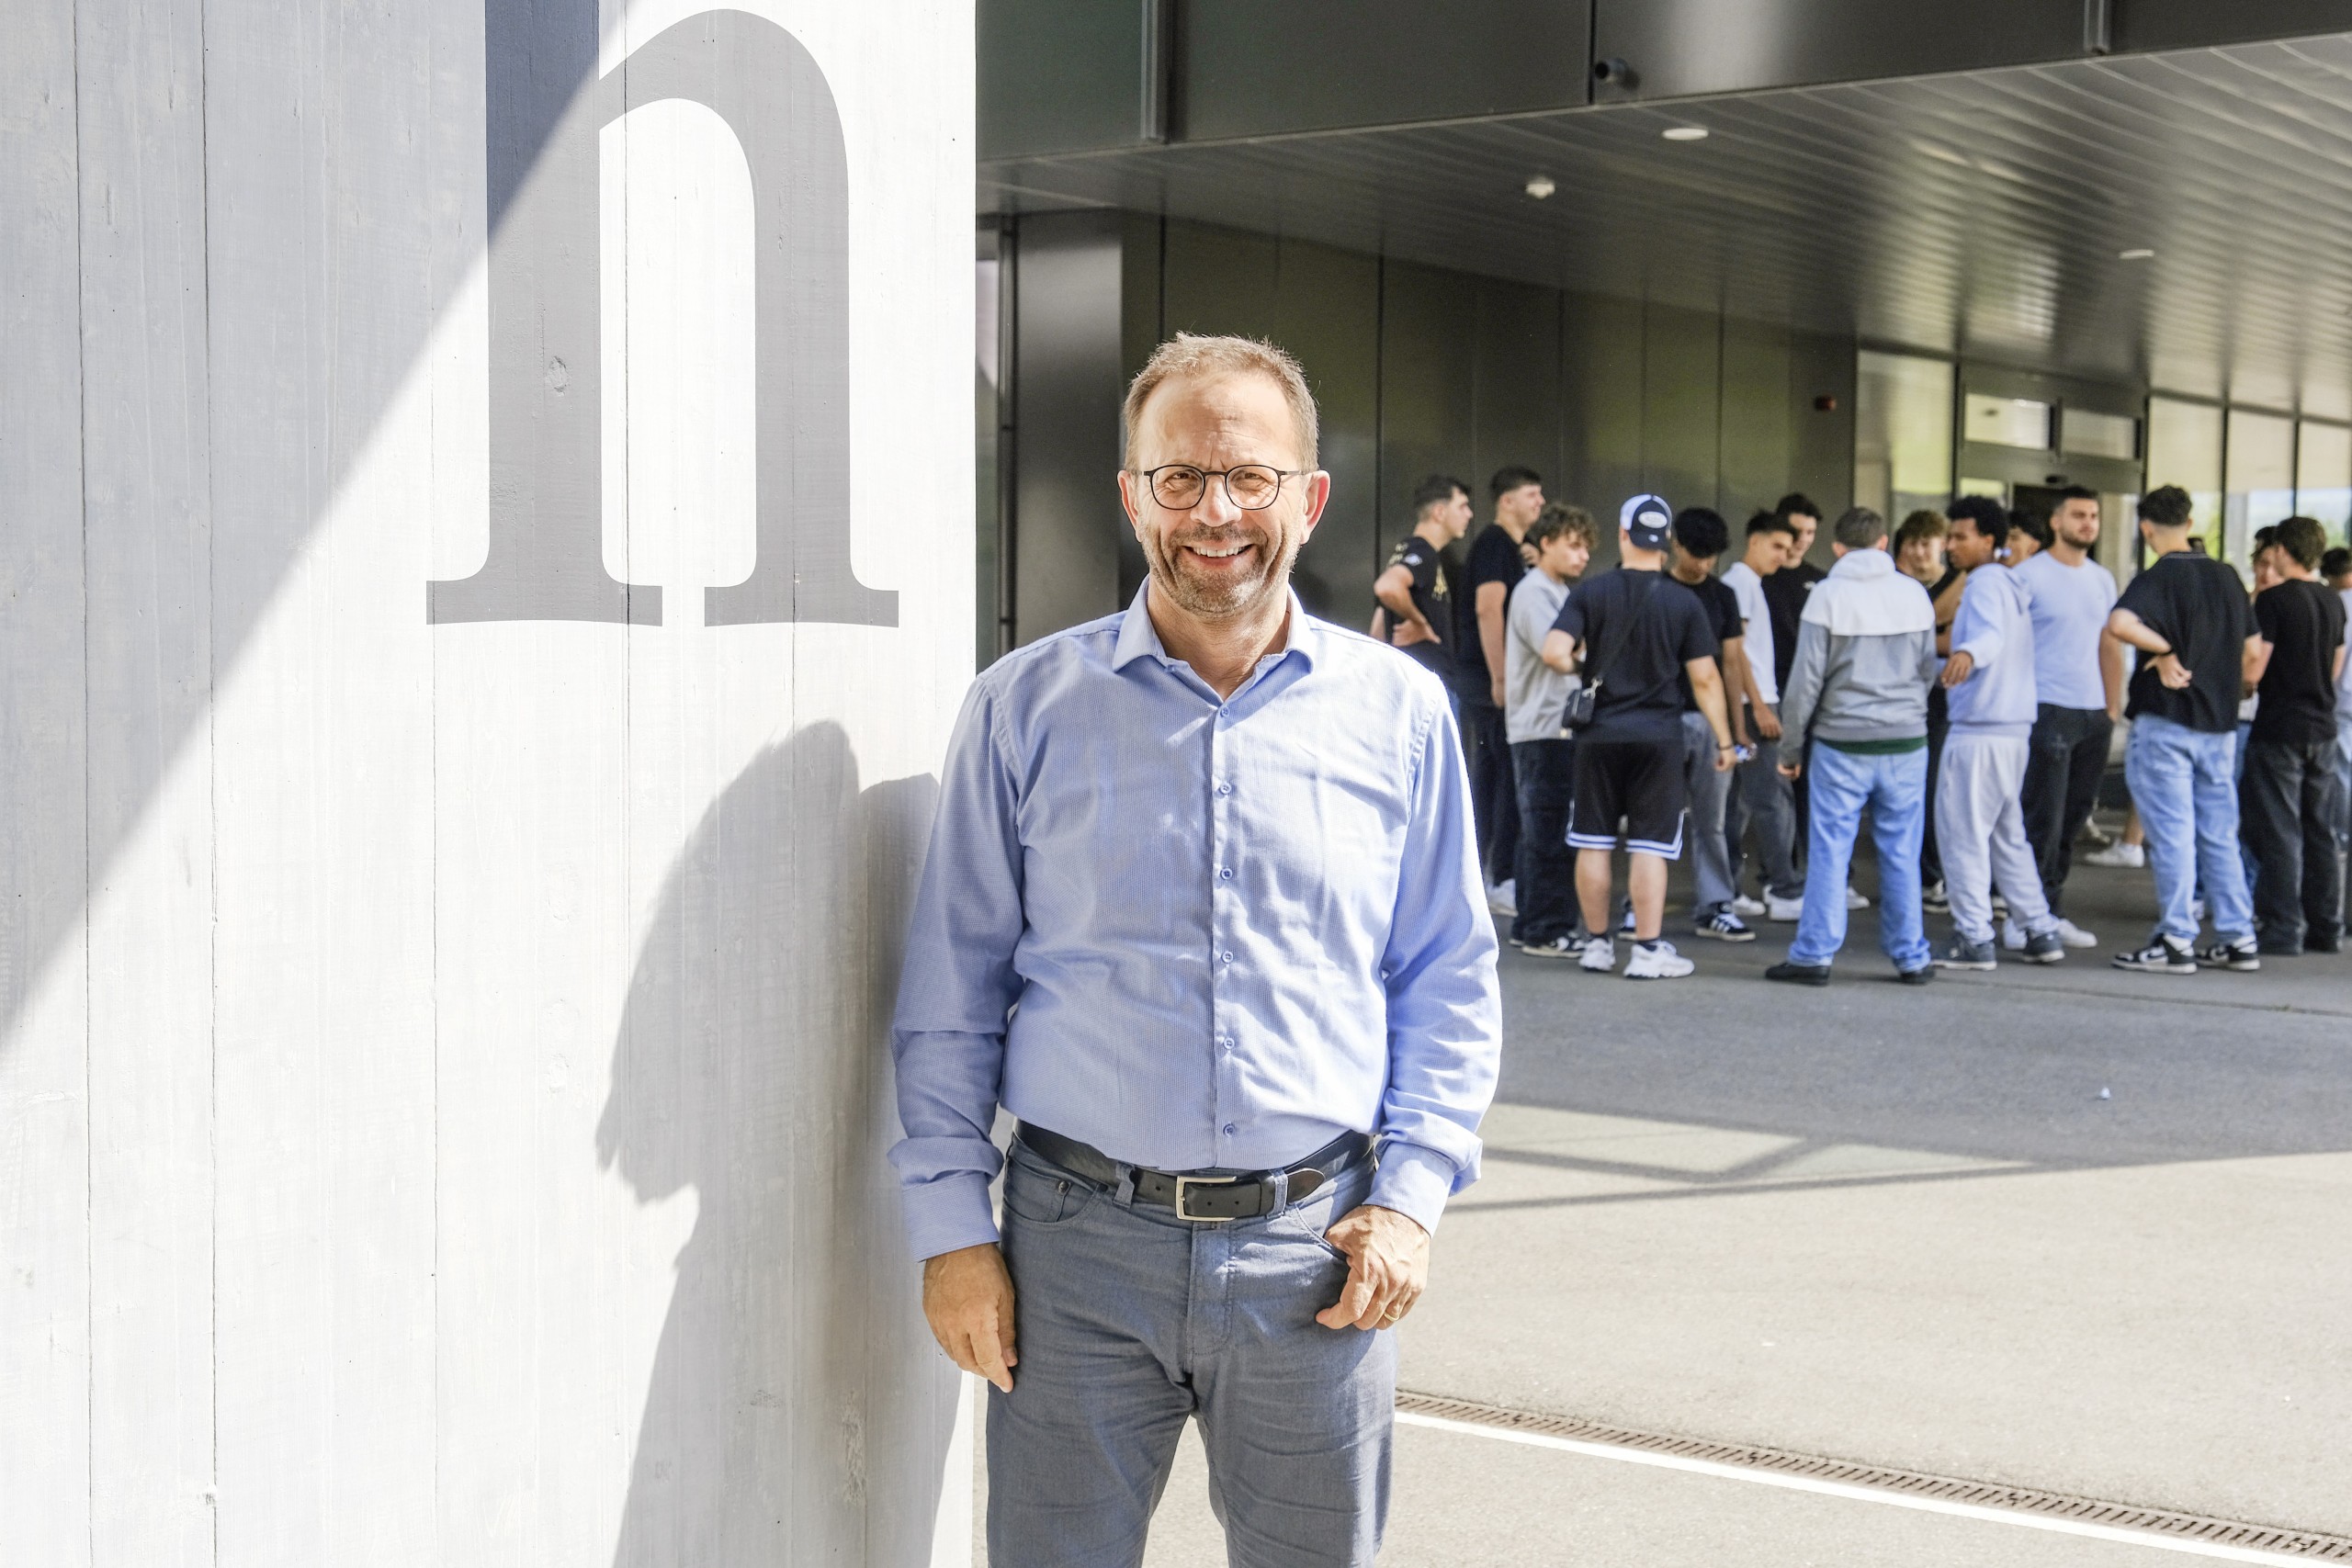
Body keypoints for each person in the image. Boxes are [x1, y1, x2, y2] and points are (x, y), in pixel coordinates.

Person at [894, 333, 1501, 1564]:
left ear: (1308, 498)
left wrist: (1411, 1198)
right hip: (1074, 1254)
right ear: (1132, 495)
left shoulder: (1399, 713)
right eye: (1178, 477)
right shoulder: (1021, 708)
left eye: (1248, 477)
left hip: (1318, 1255)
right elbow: (952, 991)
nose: (1213, 512)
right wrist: (952, 1230)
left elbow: (1445, 973)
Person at [1542, 493, 1735, 980]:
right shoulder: (1684, 601)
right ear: (1666, 540)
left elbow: (1553, 652)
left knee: (1593, 841)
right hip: (1659, 738)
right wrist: (1724, 740)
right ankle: (1647, 951)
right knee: (1650, 846)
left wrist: (1585, 669)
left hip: (1599, 735)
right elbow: (1705, 679)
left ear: (1623, 534)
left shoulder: (1591, 592)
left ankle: (1597, 946)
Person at [1763, 507, 1940, 986]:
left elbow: (1804, 684)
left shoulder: (1827, 595)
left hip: (1841, 743)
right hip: (1906, 741)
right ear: (1883, 543)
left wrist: (1790, 749)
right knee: (1901, 851)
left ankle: (1813, 956)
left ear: (1838, 547)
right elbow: (1927, 670)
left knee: (1830, 851)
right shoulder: (1914, 594)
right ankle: (1911, 957)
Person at [2105, 486, 2263, 974]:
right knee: (2219, 834)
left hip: (2167, 722)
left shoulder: (2158, 576)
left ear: (2146, 528)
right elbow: (2253, 652)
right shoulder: (2227, 576)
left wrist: (2165, 651)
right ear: (2190, 524)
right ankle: (2238, 937)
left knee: (2172, 834)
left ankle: (2175, 938)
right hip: (2220, 727)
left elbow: (2119, 623)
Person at [1931, 498, 2066, 968]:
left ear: (1989, 540)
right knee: (2007, 837)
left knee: (1963, 836)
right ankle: (2040, 929)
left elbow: (1988, 637)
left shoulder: (1985, 583)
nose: (1950, 545)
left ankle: (1974, 937)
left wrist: (1968, 653)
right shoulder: (2011, 583)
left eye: (1960, 537)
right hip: (2013, 731)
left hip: (1979, 729)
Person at [2011, 485, 2121, 950]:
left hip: (2092, 713)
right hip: (2045, 709)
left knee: (2073, 821)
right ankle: (2024, 918)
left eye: (2093, 515)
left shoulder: (2101, 579)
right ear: (2056, 522)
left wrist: (2111, 708)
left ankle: (2050, 913)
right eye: (2079, 515)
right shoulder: (2028, 575)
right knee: (2042, 819)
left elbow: (2109, 643)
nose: (2088, 523)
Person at [2238, 515, 2347, 954]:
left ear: (2282, 551)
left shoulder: (2274, 601)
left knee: (2279, 829)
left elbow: (2254, 668)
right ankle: (2326, 927)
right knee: (2320, 830)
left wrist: (2240, 687)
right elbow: (2336, 664)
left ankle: (2283, 927)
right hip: (2323, 728)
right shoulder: (2332, 601)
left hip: (2280, 727)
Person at [1505, 503, 1597, 957]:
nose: (1583, 556)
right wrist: (1591, 661)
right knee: (1549, 833)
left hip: (1546, 726)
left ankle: (1531, 924)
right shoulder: (1535, 591)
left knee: (1541, 830)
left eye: (1586, 548)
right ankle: (1547, 929)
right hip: (1544, 728)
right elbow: (1556, 651)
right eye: (1573, 545)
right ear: (1545, 544)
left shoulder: (1554, 590)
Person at [1459, 467, 1548, 913]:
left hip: (1500, 683)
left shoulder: (1517, 548)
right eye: (1532, 495)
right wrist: (1500, 677)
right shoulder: (1494, 544)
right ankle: (1499, 878)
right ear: (1507, 501)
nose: (1540, 503)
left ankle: (1493, 877)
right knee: (1500, 782)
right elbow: (1488, 610)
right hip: (1490, 683)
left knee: (1499, 779)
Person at [1668, 507, 1756, 940]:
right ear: (1675, 544)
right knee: (1655, 818)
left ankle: (1717, 904)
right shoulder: (1656, 588)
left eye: (1711, 557)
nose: (1703, 564)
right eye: (1696, 554)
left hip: (1711, 720)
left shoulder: (1722, 595)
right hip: (1662, 717)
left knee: (1712, 820)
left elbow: (1732, 664)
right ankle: (1638, 907)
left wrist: (1737, 730)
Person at [1722, 512, 1806, 919]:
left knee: (1740, 802)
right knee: (1770, 799)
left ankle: (1730, 887)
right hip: (1753, 703)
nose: (1783, 555)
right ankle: (1784, 889)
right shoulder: (1741, 581)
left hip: (1750, 702)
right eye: (1776, 546)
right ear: (1754, 541)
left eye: (1787, 549)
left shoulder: (1747, 583)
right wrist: (1757, 705)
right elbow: (1735, 650)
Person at [1373, 475, 1472, 682]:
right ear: (1439, 512)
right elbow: (1387, 587)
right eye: (1462, 506)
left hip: (1412, 677)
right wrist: (1420, 623)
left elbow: (1380, 620)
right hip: (1427, 678)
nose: (1469, 514)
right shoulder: (1422, 551)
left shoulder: (1406, 551)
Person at [1894, 509, 1949, 589]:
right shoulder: (1895, 584)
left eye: (1925, 544)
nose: (1919, 552)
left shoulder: (1955, 584)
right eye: (1912, 544)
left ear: (1942, 544)